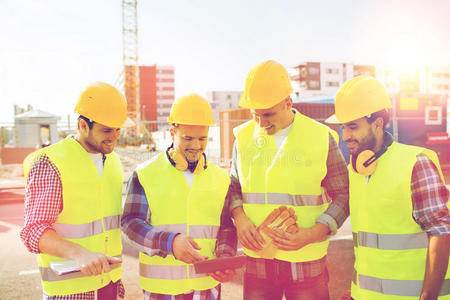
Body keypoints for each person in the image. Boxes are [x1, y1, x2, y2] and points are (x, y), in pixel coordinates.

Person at [229, 60, 350, 300]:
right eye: (256, 115)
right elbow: (233, 188)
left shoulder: (321, 137)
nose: (261, 123)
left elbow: (344, 195)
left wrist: (313, 233)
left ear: (288, 103)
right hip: (258, 259)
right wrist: (240, 219)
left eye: (268, 114)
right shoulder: (242, 138)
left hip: (306, 259)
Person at [322, 76, 449, 300]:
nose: (346, 136)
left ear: (378, 123)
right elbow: (367, 245)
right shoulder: (356, 171)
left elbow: (441, 231)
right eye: (343, 127)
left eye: (353, 126)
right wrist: (355, 292)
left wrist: (428, 296)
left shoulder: (415, 163)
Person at [121, 94, 237, 300]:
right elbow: (130, 224)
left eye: (202, 138)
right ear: (173, 133)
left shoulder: (220, 178)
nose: (196, 145)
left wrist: (225, 258)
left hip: (206, 287)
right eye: (188, 138)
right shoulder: (146, 174)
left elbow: (226, 226)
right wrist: (169, 243)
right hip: (162, 290)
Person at [20, 82, 130, 299]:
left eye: (118, 129)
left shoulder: (114, 161)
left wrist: (114, 282)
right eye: (107, 130)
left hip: (108, 283)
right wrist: (79, 253)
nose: (115, 136)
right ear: (83, 125)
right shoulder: (51, 162)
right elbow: (32, 231)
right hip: (69, 291)